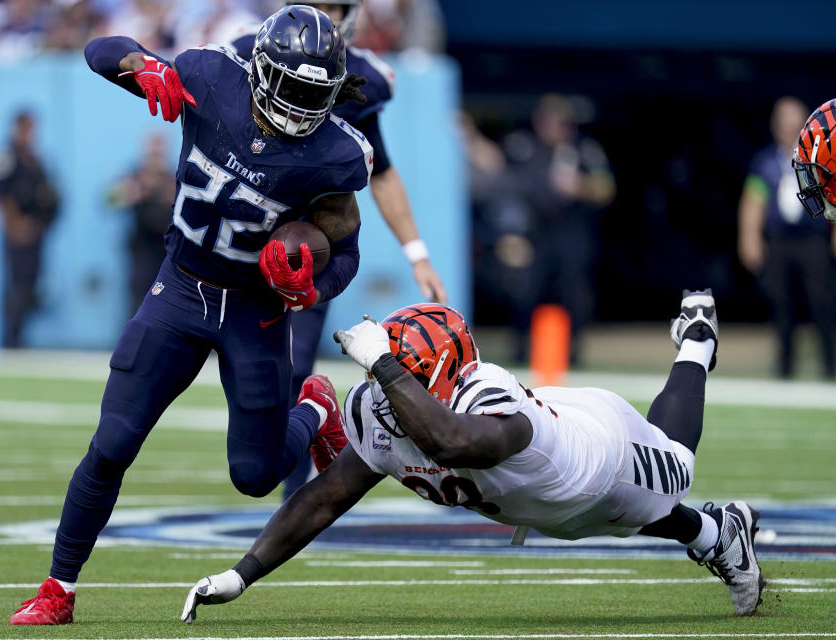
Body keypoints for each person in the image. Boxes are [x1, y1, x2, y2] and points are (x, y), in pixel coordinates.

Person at [9, 6, 372, 625]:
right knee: (113, 443)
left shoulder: (334, 155)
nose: (299, 104)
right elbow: (103, 50)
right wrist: (147, 67)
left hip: (254, 312)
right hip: (180, 290)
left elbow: (346, 251)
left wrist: (311, 290)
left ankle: (313, 407)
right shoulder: (209, 79)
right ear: (261, 69)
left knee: (255, 477)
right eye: (290, 84)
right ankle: (58, 588)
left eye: (314, 92)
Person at [179, 291, 767, 621]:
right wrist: (242, 573)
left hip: (601, 452)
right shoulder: (380, 405)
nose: (384, 390)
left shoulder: (488, 396)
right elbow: (324, 497)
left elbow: (450, 443)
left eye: (403, 374)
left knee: (672, 474)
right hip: (545, 503)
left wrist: (384, 364)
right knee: (622, 518)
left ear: (437, 375)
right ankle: (721, 534)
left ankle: (696, 341)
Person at [230, 0, 447, 498]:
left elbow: (383, 171)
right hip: (238, 237)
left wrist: (417, 252)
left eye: (336, 4)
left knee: (294, 365)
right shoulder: (246, 53)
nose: (327, 13)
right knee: (246, 382)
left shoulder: (360, 78)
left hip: (303, 248)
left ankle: (293, 503)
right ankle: (309, 421)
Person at [509, 94, 616, 364]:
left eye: (562, 122)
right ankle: (522, 351)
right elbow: (504, 185)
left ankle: (571, 353)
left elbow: (607, 189)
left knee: (573, 292)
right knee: (526, 291)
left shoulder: (585, 150)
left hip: (572, 231)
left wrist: (580, 185)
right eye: (550, 121)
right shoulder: (524, 147)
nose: (556, 128)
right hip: (534, 232)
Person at [741, 97, 836, 378]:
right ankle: (784, 369)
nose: (790, 126)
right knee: (782, 304)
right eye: (784, 120)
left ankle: (830, 366)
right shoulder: (764, 161)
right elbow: (753, 199)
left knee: (822, 302)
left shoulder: (823, 157)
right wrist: (749, 236)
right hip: (779, 241)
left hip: (814, 241)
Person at [0, 110, 60, 349]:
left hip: (35, 234)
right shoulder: (6, 157)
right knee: (15, 288)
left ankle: (19, 338)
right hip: (16, 234)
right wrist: (15, 227)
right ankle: (10, 341)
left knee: (30, 287)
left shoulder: (36, 159)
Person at [107, 132, 176, 314]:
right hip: (142, 250)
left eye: (159, 153)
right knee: (138, 298)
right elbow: (110, 200)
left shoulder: (173, 179)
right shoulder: (135, 178)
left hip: (167, 250)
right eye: (153, 152)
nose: (156, 158)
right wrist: (134, 192)